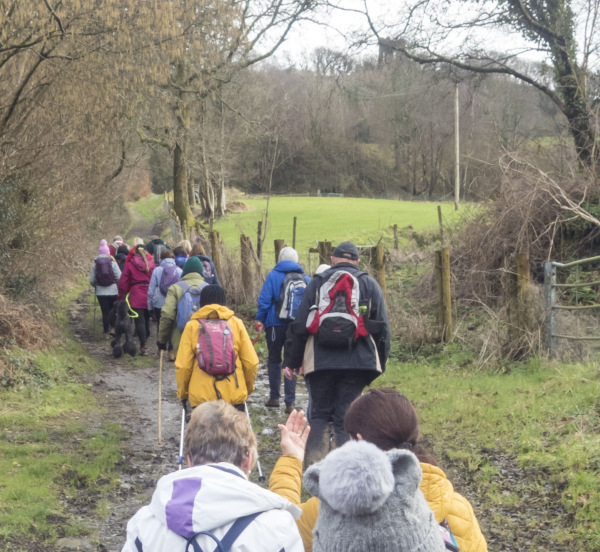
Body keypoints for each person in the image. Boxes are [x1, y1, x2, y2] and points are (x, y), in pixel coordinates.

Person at [270, 390, 488, 552]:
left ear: (359, 441)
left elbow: (281, 530)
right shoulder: (458, 507)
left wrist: (291, 459)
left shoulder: (334, 508)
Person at [122, 400, 304, 552]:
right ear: (248, 460)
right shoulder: (277, 527)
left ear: (189, 461)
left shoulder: (144, 524)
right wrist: (292, 459)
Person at [284, 241, 390, 466]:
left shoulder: (318, 283)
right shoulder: (369, 284)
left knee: (320, 417)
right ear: (357, 261)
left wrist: (292, 362)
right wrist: (379, 363)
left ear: (332, 259)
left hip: (320, 362)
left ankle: (314, 475)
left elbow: (300, 324)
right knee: (345, 420)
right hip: (358, 362)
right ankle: (346, 473)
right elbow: (383, 330)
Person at [175, 285, 259, 413]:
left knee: (201, 434)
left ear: (201, 304)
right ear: (224, 303)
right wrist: (246, 388)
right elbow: (252, 363)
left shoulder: (192, 326)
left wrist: (183, 394)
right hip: (233, 398)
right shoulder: (236, 324)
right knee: (234, 433)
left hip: (202, 400)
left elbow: (183, 367)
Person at [256, 247, 310, 413]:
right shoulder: (305, 277)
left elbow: (265, 299)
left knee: (273, 359)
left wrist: (260, 319)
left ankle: (274, 397)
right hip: (296, 326)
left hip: (275, 323)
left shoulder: (273, 275)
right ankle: (290, 402)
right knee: (291, 361)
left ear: (280, 259)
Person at [157, 256, 207, 356]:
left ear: (184, 271)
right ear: (201, 272)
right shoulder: (208, 288)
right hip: (206, 339)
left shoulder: (175, 288)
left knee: (183, 369)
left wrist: (162, 341)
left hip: (181, 339)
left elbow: (167, 315)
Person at [118, 245, 156, 356]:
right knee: (147, 319)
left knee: (139, 321)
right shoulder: (152, 264)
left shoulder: (130, 264)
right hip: (149, 293)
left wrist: (122, 295)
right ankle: (146, 338)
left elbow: (123, 282)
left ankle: (143, 346)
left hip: (136, 294)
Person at [147, 249, 182, 361]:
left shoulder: (157, 270)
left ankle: (161, 349)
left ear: (161, 258)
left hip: (159, 303)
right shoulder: (179, 271)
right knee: (172, 326)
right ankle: (171, 352)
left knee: (160, 325)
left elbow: (151, 289)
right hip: (174, 302)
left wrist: (150, 306)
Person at [89, 239, 121, 338]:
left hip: (101, 292)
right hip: (113, 291)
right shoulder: (113, 263)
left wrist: (96, 286)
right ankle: (113, 328)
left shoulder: (95, 264)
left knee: (105, 312)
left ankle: (106, 331)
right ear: (108, 253)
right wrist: (115, 284)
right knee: (113, 311)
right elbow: (119, 276)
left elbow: (91, 279)